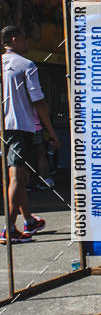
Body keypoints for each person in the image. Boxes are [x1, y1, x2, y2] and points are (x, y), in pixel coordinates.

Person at [0, 26, 59, 243]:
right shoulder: (26, 65)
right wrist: (51, 131)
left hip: (5, 127)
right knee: (17, 177)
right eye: (25, 38)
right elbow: (39, 102)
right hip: (19, 126)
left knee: (19, 176)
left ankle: (28, 220)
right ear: (14, 39)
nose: (28, 43)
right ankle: (9, 229)